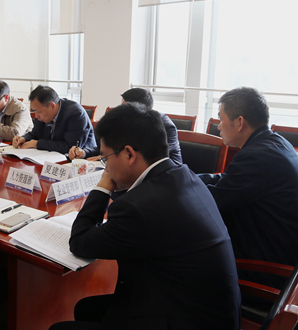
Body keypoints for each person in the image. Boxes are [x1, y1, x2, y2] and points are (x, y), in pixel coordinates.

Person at [50, 103, 240, 330]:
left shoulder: (137, 208)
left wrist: (102, 187)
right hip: (208, 311)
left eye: (105, 158)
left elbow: (80, 242)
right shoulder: (184, 175)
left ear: (129, 154)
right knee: (86, 309)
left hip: (181, 318)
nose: (106, 168)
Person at [198, 87, 298, 289]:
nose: (218, 126)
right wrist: (190, 178)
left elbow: (212, 202)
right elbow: (227, 181)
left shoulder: (257, 156)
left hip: (266, 269)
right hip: (279, 252)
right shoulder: (275, 143)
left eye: (221, 119)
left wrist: (177, 187)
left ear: (240, 122)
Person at [69, 88, 183, 165]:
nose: (123, 112)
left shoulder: (165, 127)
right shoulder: (127, 121)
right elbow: (108, 147)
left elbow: (148, 157)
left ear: (141, 109)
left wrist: (108, 157)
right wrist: (84, 152)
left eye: (126, 109)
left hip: (167, 177)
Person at [12, 85, 96, 155]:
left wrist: (38, 144)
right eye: (34, 111)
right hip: (49, 157)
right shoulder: (43, 114)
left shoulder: (76, 114)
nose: (36, 116)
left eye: (39, 112)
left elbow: (70, 147)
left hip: (81, 161)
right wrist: (23, 138)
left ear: (52, 105)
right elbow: (35, 133)